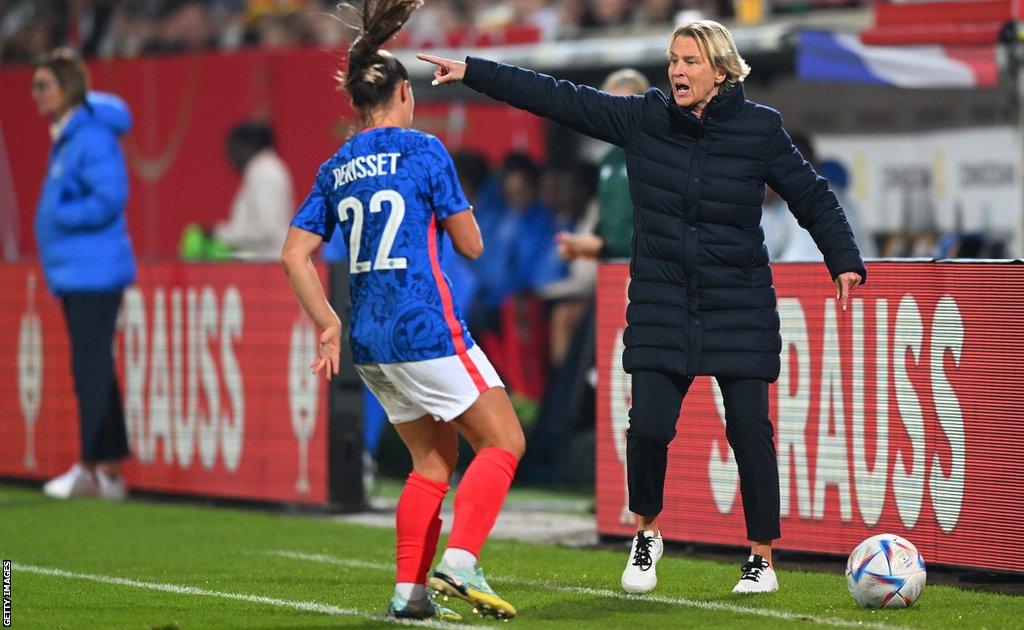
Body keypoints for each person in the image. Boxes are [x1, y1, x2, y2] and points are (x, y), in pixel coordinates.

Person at [419, 18, 865, 595]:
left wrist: (844, 259)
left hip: (739, 303)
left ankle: (760, 558)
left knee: (751, 431)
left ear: (722, 72)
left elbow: (811, 195)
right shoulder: (644, 118)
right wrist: (475, 72)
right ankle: (648, 532)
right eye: (673, 59)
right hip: (662, 302)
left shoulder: (761, 129)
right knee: (649, 429)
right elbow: (558, 98)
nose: (677, 70)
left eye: (691, 61)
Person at [280, 0, 524, 621]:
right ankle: (461, 561)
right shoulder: (424, 151)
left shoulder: (335, 166)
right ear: (404, 95)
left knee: (432, 462)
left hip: (368, 336)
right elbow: (470, 245)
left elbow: (293, 255)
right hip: (425, 326)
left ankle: (409, 594)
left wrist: (327, 323)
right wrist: (454, 220)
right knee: (503, 441)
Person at [32, 49, 136, 501]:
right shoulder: (71, 137)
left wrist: (60, 214)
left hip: (94, 270)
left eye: (43, 85)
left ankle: (91, 469)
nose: (35, 94)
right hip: (80, 271)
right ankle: (109, 473)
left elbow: (110, 197)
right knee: (95, 370)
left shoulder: (89, 137)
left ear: (67, 87)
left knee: (90, 370)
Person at [557, 68, 648, 262]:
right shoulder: (609, 160)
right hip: (610, 268)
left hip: (645, 268)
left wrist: (602, 246)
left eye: (625, 105)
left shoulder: (655, 156)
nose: (617, 114)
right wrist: (581, 246)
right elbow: (605, 224)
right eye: (611, 106)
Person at [213, 121, 294, 259]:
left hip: (267, 269)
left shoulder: (265, 172)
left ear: (246, 146)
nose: (230, 158)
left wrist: (220, 234)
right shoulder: (264, 170)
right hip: (265, 267)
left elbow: (267, 231)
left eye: (232, 149)